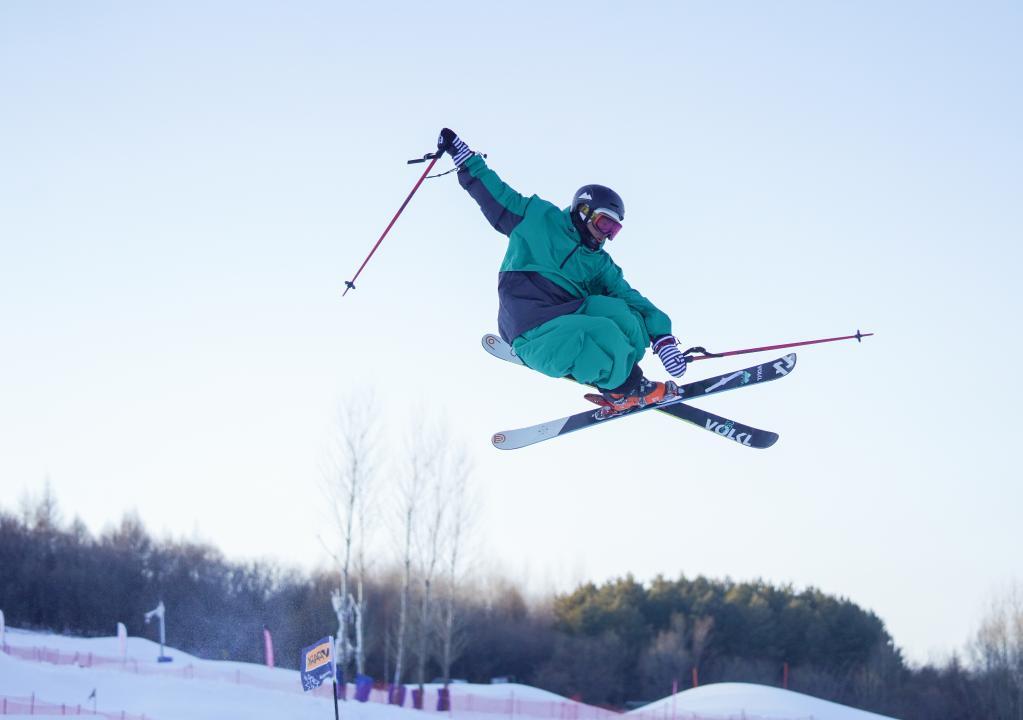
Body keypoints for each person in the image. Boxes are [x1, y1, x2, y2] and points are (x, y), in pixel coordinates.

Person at [438, 128, 688, 412]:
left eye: (614, 231)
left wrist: (663, 339)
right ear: (584, 211)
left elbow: (631, 299)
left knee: (625, 318)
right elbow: (497, 195)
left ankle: (618, 378)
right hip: (528, 321)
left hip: (565, 312)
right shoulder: (538, 219)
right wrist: (463, 156)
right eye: (605, 224)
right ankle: (624, 389)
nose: (606, 236)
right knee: (603, 329)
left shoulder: (598, 263)